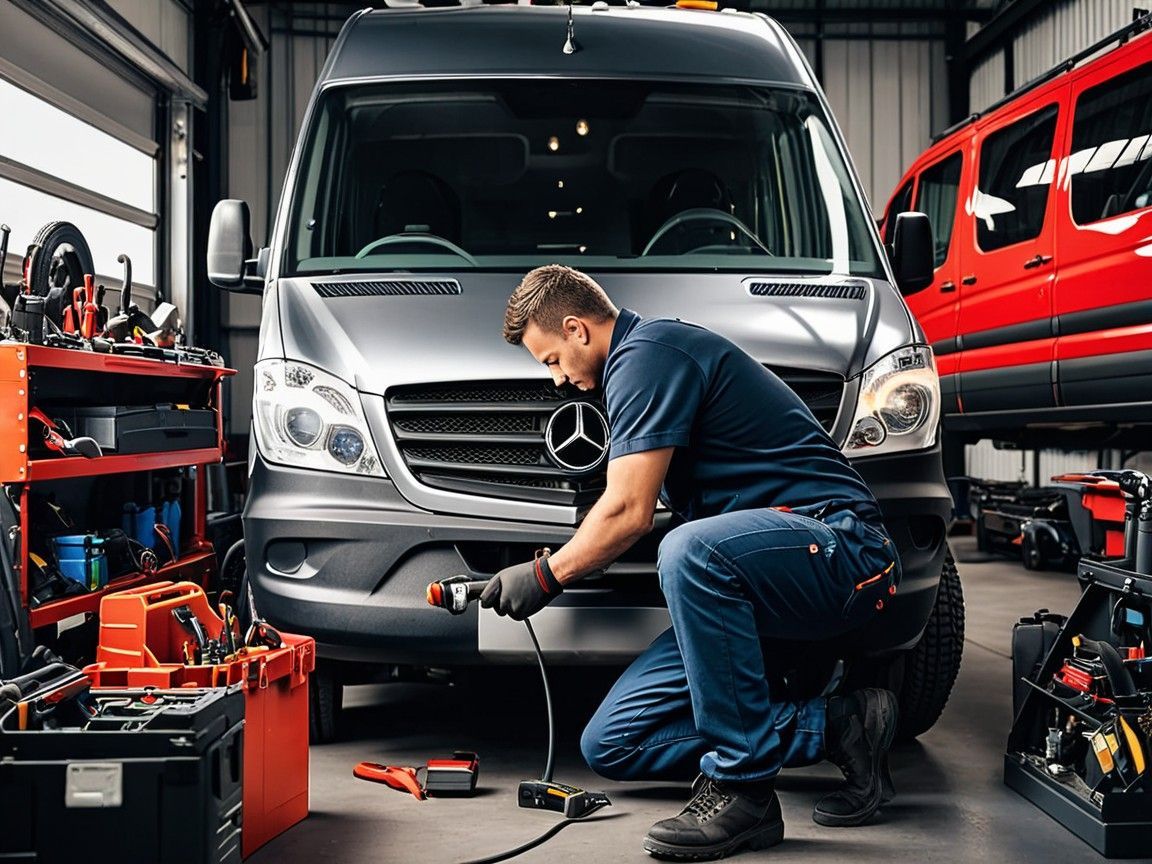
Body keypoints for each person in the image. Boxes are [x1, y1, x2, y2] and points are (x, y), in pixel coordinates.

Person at [481, 264, 900, 860]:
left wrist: (546, 575)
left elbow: (628, 511)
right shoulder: (641, 362)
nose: (556, 379)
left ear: (576, 329)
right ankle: (839, 726)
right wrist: (549, 563)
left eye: (551, 360)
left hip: (843, 550)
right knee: (612, 743)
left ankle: (744, 791)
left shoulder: (647, 355)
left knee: (689, 548)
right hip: (757, 579)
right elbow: (622, 507)